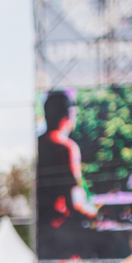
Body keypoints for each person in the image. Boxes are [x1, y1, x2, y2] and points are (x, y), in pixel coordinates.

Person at [36, 89, 95, 235]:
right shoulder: (67, 148)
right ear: (68, 116)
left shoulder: (36, 144)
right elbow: (75, 200)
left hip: (40, 228)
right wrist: (93, 212)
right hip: (61, 230)